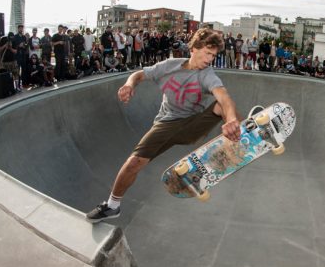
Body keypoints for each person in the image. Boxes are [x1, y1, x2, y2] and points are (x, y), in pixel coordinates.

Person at [86, 28, 241, 222]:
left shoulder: (207, 75)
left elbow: (223, 95)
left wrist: (232, 118)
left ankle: (241, 132)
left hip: (192, 125)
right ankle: (112, 205)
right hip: (166, 124)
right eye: (207, 53)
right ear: (194, 48)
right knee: (134, 162)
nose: (210, 59)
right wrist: (129, 85)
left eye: (214, 55)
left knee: (224, 106)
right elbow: (139, 75)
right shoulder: (170, 66)